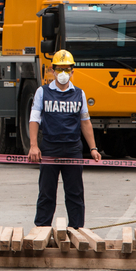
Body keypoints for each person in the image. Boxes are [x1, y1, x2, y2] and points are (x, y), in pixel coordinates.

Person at [28, 50, 101, 229]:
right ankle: (41, 230)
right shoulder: (42, 92)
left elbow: (85, 122)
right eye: (59, 69)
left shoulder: (79, 94)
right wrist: (33, 146)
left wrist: (93, 148)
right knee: (46, 193)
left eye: (67, 69)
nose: (63, 73)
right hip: (50, 147)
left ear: (72, 71)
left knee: (75, 193)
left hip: (73, 148)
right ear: (52, 70)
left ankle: (77, 230)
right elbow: (34, 119)